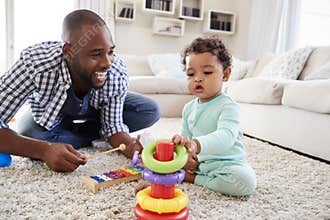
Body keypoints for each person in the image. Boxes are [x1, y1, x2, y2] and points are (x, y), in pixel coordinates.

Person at [0, 9, 160, 172]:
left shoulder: (115, 72)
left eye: (110, 52)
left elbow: (114, 126)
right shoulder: (35, 64)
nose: (107, 63)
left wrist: (131, 146)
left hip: (92, 110)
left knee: (149, 110)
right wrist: (44, 149)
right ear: (68, 52)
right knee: (32, 137)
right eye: (96, 54)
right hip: (47, 115)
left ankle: (81, 135)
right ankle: (87, 135)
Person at [137, 36, 256, 196]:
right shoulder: (188, 108)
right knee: (165, 160)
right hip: (200, 164)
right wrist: (184, 153)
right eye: (191, 74)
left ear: (225, 74)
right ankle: (163, 178)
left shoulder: (228, 106)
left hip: (227, 165)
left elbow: (226, 136)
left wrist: (196, 145)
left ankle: (191, 178)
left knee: (245, 183)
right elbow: (187, 139)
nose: (198, 78)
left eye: (207, 72)